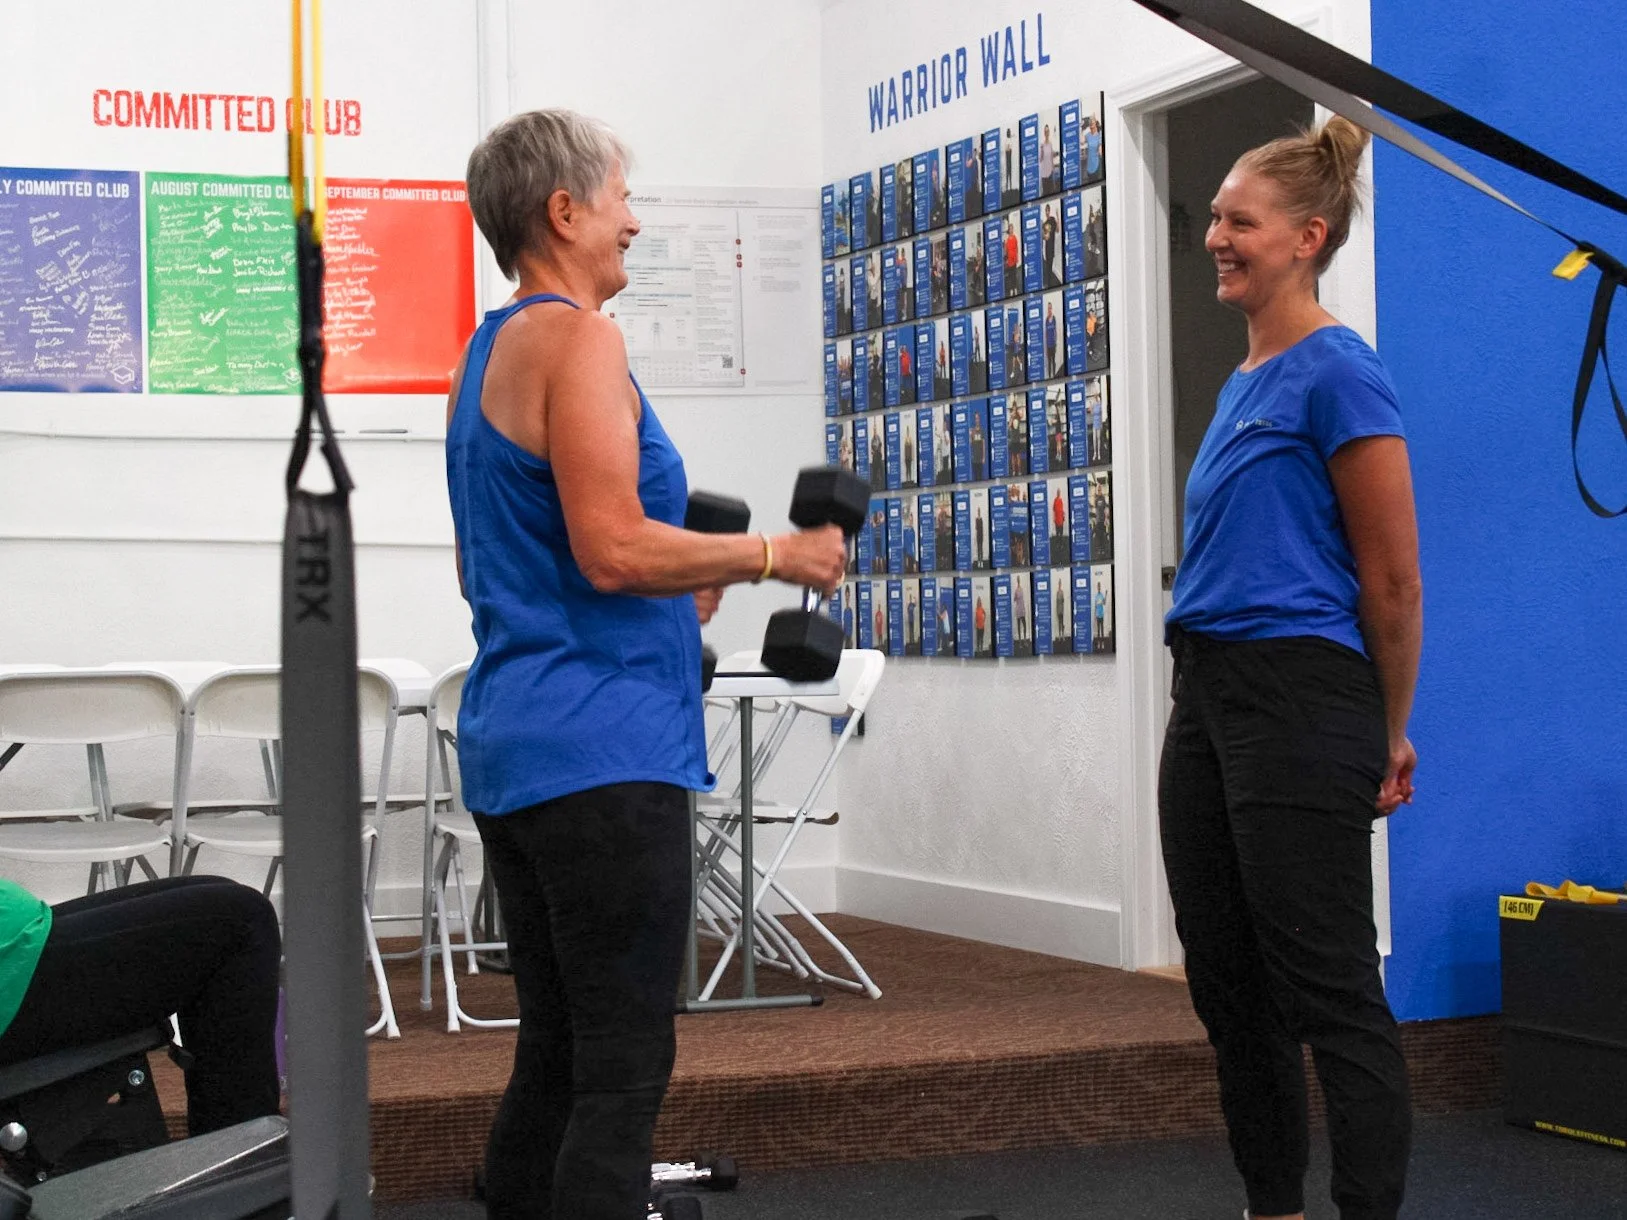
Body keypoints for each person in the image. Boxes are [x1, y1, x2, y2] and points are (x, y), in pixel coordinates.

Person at [452, 109, 846, 1220]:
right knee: (621, 1072)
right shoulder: (582, 340)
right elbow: (610, 545)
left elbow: (526, 551)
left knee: (561, 1052)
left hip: (519, 747)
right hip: (599, 753)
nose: (634, 217)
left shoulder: (484, 352)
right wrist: (773, 552)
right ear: (563, 211)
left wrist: (690, 574)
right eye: (620, 195)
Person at [1160, 117, 1419, 1220]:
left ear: (1306, 237)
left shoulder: (1338, 370)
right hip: (1207, 694)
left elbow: (1393, 580)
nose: (1214, 235)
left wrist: (1388, 727)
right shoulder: (1243, 379)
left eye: (1237, 220)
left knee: (1327, 987)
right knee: (1229, 987)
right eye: (1214, 216)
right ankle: (1274, 1208)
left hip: (1302, 693)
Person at [0, 876, 280, 1139]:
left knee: (226, 896)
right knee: (244, 921)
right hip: (12, 971)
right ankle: (239, 1169)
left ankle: (236, 1158)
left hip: (19, 940)